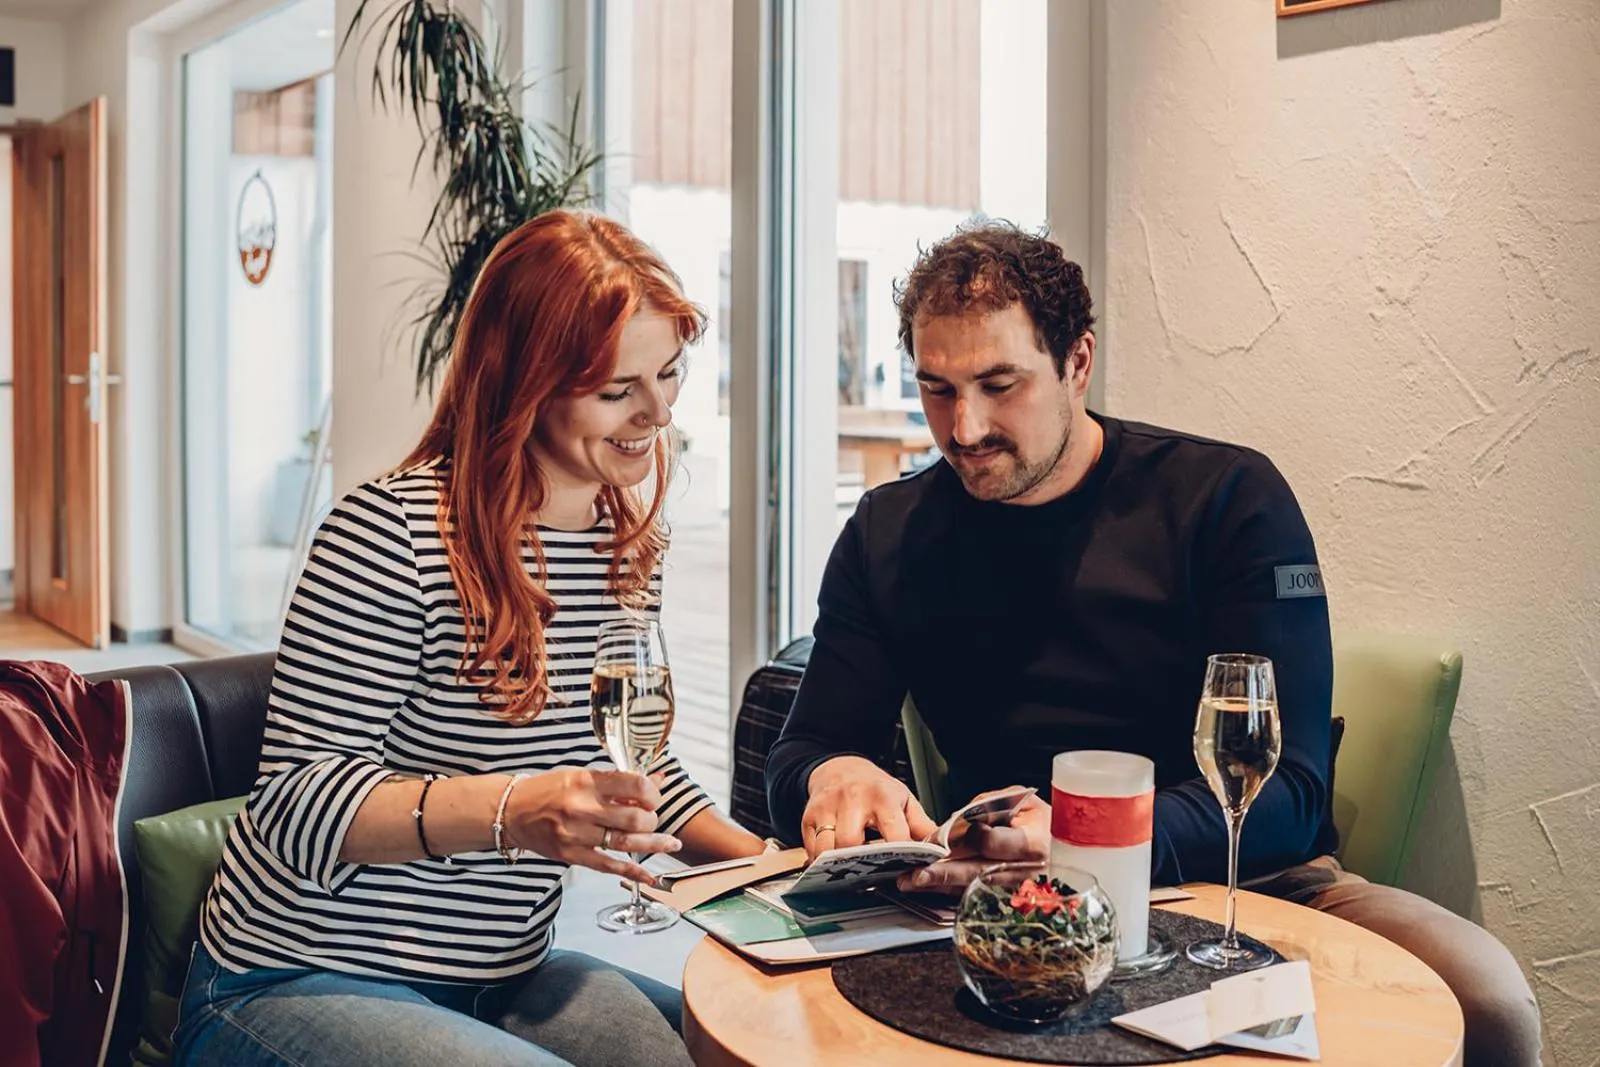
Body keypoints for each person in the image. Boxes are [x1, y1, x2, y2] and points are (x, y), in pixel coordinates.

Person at [766, 222, 1541, 1067]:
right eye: (938, 388)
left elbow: (1291, 795)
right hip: (1005, 900)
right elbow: (799, 755)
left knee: (1487, 996)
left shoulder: (1226, 502)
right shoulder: (891, 531)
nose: (966, 426)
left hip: (1245, 882)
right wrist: (831, 773)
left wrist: (1080, 834)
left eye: (999, 383)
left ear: (1078, 363)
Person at [175, 210, 766, 1067]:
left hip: (500, 971)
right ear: (524, 383)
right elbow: (295, 803)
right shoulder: (389, 533)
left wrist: (780, 871)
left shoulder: (618, 536)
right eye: (616, 390)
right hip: (295, 974)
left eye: (669, 374)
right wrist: (513, 812)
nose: (657, 412)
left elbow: (628, 762)